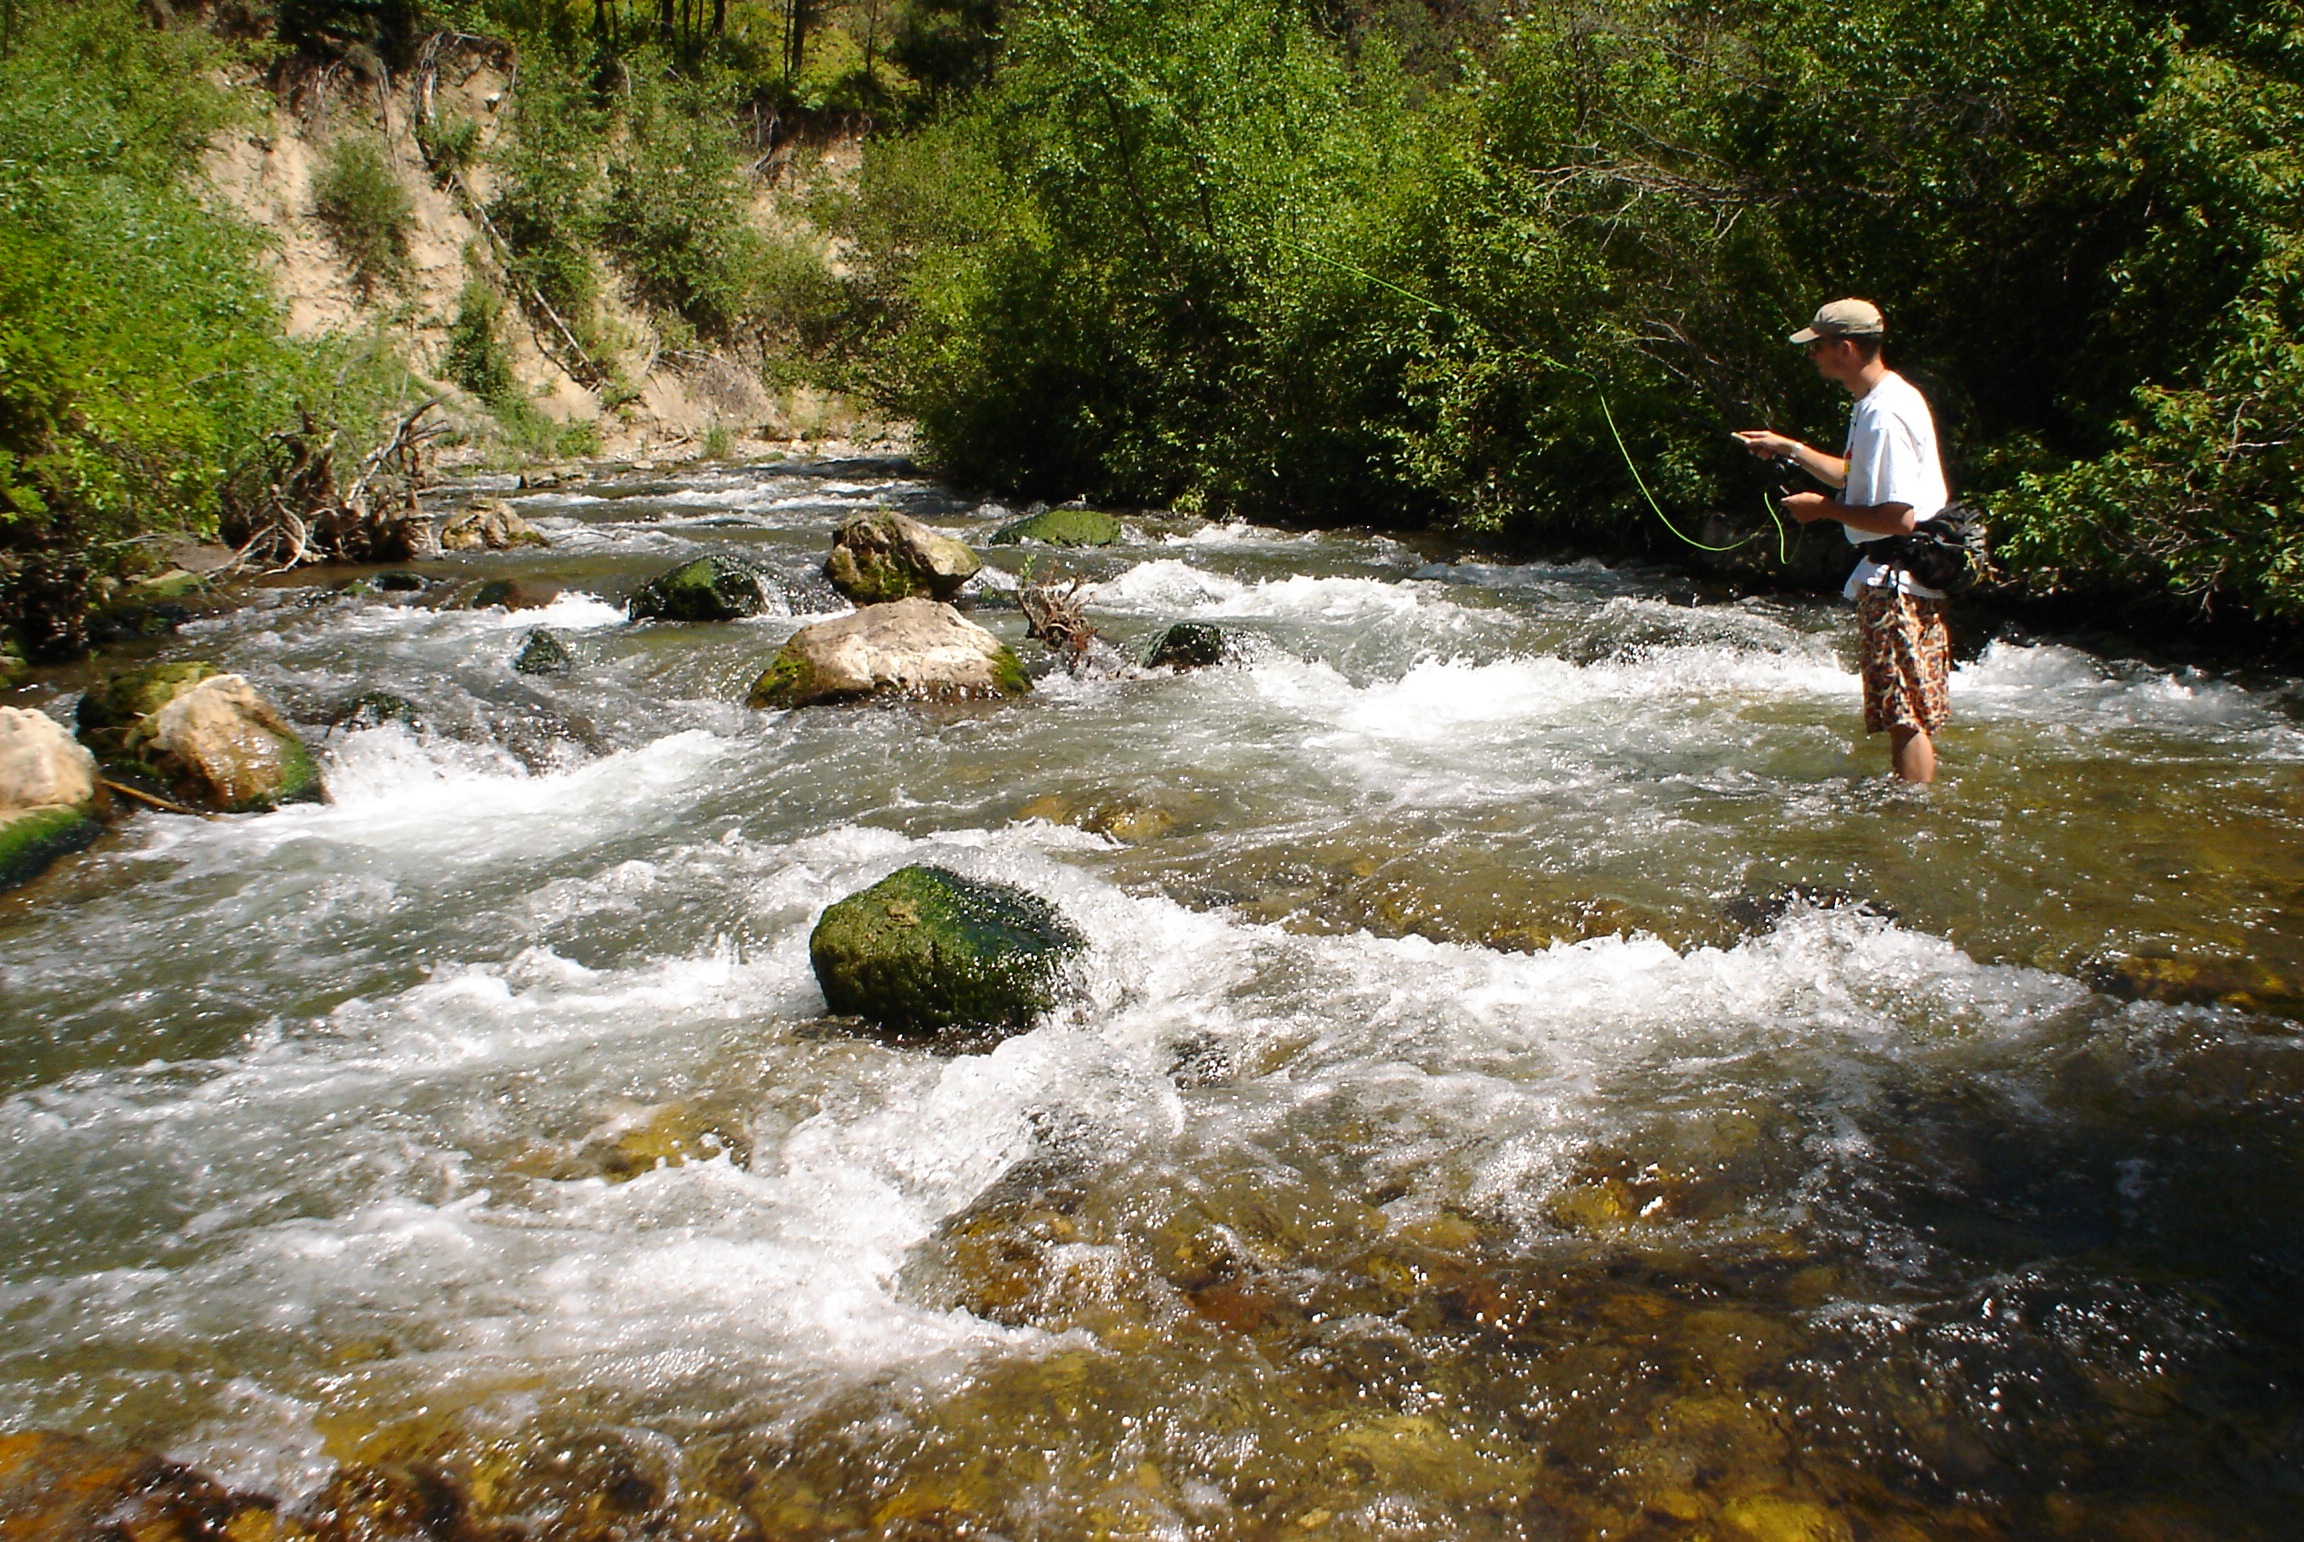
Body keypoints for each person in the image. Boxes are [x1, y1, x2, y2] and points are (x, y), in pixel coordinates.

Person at [1734, 299, 1951, 784]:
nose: (1811, 356)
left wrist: (1824, 510)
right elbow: (1854, 476)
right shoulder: (1879, 402)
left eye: (1818, 347)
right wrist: (1788, 447)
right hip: (1898, 579)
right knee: (1906, 708)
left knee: (1903, 714)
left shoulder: (1884, 414)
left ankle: (1908, 819)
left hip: (1897, 582)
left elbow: (1898, 517)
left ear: (1846, 349)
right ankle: (1911, 807)